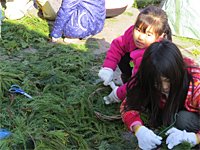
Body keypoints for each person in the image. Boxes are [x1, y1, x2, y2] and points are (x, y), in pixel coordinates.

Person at [120, 39, 200, 149]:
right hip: (171, 111)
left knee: (183, 119)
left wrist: (195, 137)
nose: (164, 87)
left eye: (168, 80)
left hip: (192, 118)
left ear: (177, 72)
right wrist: (139, 130)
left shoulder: (196, 84)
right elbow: (128, 105)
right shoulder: (148, 76)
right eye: (157, 82)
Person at [98, 5, 172, 104]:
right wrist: (108, 67)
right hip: (135, 62)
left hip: (149, 77)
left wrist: (118, 94)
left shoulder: (156, 54)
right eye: (138, 29)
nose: (140, 37)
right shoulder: (132, 34)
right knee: (123, 58)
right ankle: (127, 79)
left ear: (159, 36)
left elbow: (138, 80)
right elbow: (118, 45)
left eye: (148, 34)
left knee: (145, 92)